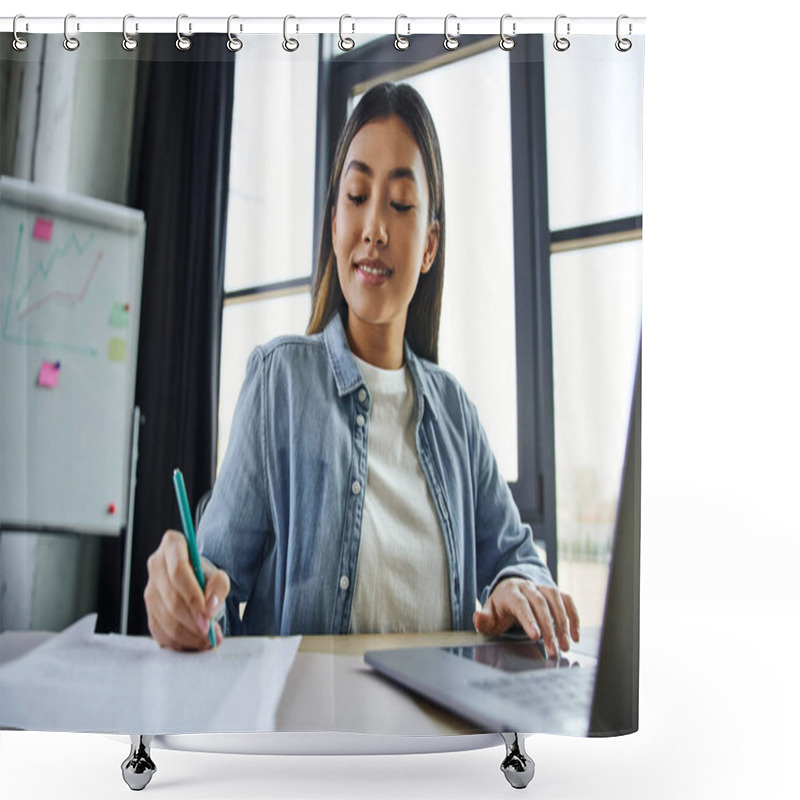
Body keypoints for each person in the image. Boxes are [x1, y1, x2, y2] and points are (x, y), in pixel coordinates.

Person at [144, 82, 580, 657]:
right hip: (312, 740)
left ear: (429, 245)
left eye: (400, 204)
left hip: (440, 740)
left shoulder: (454, 413)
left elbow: (519, 559)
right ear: (333, 223)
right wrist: (182, 598)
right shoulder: (281, 383)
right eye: (355, 195)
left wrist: (518, 586)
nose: (374, 227)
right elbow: (215, 583)